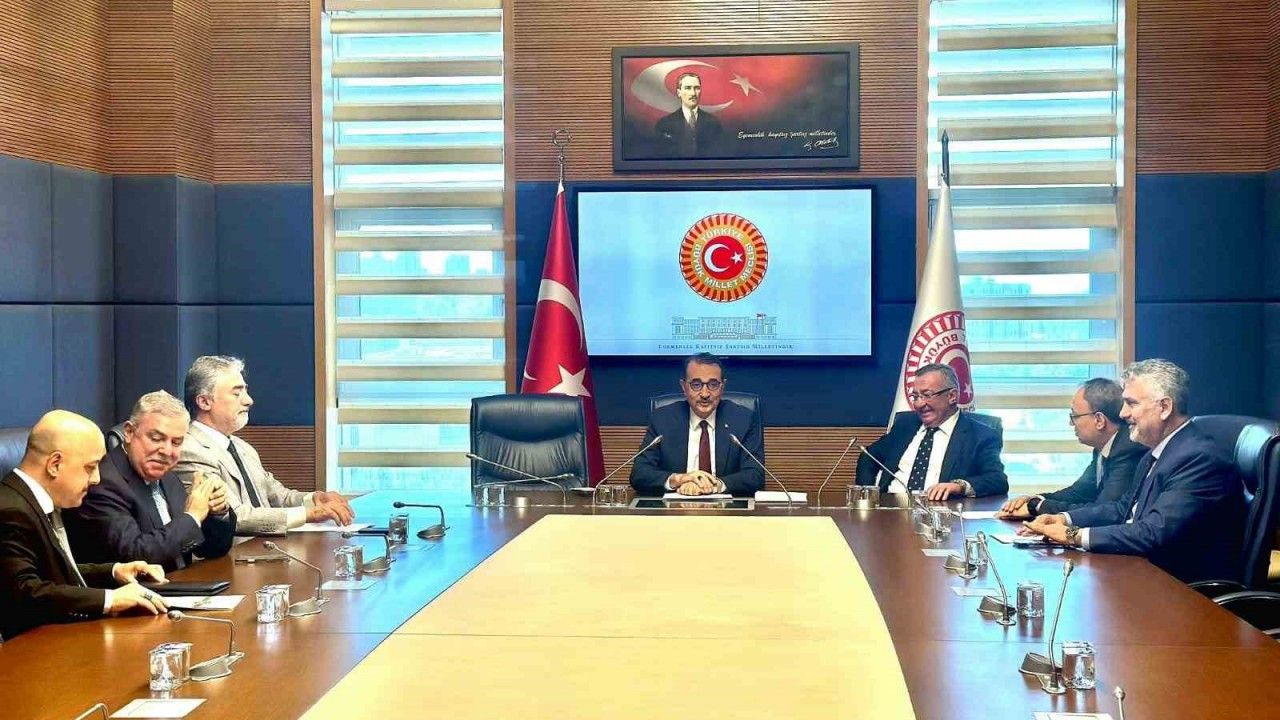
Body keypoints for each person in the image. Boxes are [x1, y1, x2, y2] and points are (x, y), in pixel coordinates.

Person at [1020, 359, 1245, 584]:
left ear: (1164, 408)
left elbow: (1153, 532)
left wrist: (1073, 536)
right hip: (1145, 572)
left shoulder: (1198, 458)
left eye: (1131, 403)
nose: (1122, 413)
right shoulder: (1156, 452)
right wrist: (1063, 519)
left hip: (1182, 588)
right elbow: (1122, 510)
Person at [0, 410, 169, 639]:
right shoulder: (10, 510)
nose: (96, 479)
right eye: (90, 467)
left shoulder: (35, 501)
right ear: (54, 464)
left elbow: (55, 574)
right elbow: (25, 593)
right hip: (30, 650)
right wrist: (110, 599)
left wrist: (114, 571)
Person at [175, 356, 354, 535]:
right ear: (204, 402)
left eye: (245, 391)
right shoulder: (189, 450)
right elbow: (236, 517)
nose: (249, 400)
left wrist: (314, 499)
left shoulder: (243, 447)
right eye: (237, 393)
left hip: (268, 547)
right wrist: (309, 514)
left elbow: (278, 497)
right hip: (234, 552)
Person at [66, 391, 236, 571]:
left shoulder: (167, 476)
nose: (167, 451)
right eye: (156, 439)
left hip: (182, 583)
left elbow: (212, 548)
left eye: (176, 442)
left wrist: (218, 511)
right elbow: (135, 556)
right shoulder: (103, 483)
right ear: (129, 432)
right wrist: (193, 517)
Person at [855, 363, 1008, 500]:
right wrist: (867, 497)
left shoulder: (981, 436)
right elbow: (868, 456)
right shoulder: (905, 426)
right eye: (915, 396)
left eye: (927, 395)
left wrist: (959, 486)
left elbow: (997, 480)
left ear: (952, 396)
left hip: (939, 513)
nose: (919, 404)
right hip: (890, 509)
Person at [998, 378, 1145, 519]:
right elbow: (1079, 493)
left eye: (1075, 416)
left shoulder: (1127, 450)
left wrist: (1037, 507)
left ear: (1099, 420)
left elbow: (1103, 511)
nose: (1071, 423)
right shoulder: (1104, 446)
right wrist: (1035, 499)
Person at [630, 353, 764, 497]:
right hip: (672, 508)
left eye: (713, 385)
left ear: (722, 386)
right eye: (696, 385)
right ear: (684, 387)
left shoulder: (743, 419)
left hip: (727, 508)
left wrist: (716, 485)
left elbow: (755, 474)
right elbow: (639, 474)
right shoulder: (663, 419)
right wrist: (678, 479)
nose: (705, 394)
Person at [654, 72, 724, 157]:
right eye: (688, 88)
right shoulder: (665, 124)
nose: (693, 93)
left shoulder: (713, 123)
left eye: (697, 88)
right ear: (679, 92)